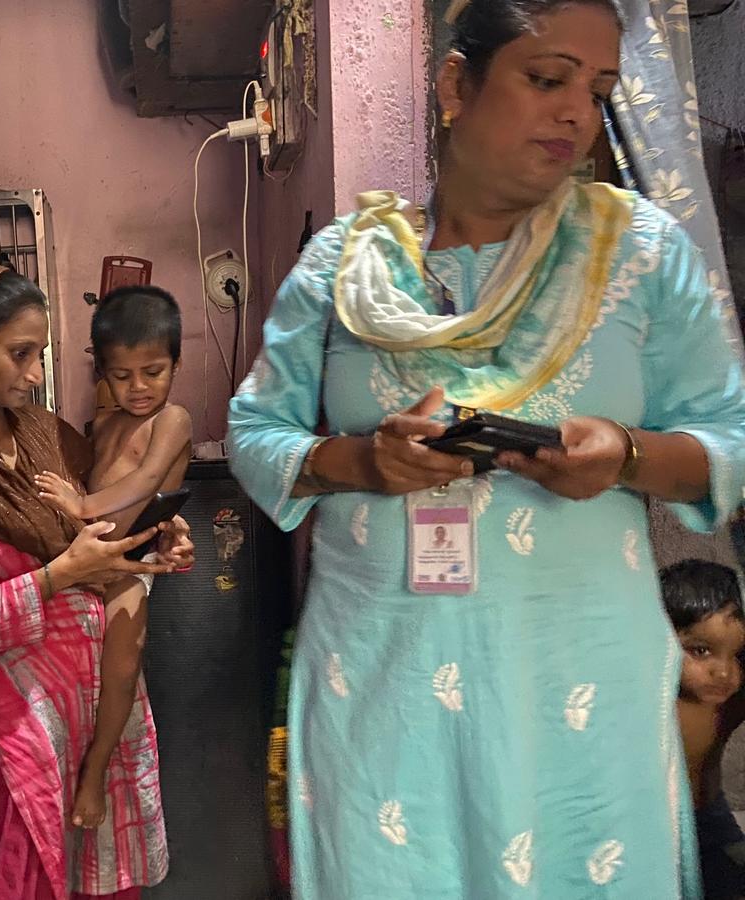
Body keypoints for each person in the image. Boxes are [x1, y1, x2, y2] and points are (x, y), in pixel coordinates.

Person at [227, 0, 745, 894]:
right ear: (456, 85)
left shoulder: (641, 253)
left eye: (600, 89)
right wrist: (358, 462)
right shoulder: (343, 264)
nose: (577, 112)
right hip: (385, 677)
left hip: (577, 682)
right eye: (546, 79)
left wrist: (624, 454)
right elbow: (254, 429)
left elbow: (728, 439)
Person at [0, 263, 192, 900]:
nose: (36, 375)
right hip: (22, 714)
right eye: (19, 354)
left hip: (105, 707)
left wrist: (163, 531)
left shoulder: (45, 433)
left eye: (42, 354)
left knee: (105, 876)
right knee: (24, 873)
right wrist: (57, 577)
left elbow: (115, 509)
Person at [34, 285, 192, 829]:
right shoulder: (105, 423)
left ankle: (95, 775)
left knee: (121, 672)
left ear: (175, 363)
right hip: (84, 565)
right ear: (102, 372)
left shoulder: (174, 420)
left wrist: (82, 504)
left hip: (128, 571)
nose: (139, 387)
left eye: (153, 371)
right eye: (122, 376)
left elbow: (147, 482)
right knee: (74, 679)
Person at [662, 560, 745, 899]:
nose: (723, 672)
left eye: (737, 655)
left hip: (708, 817)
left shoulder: (733, 695)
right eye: (700, 651)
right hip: (650, 822)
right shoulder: (648, 699)